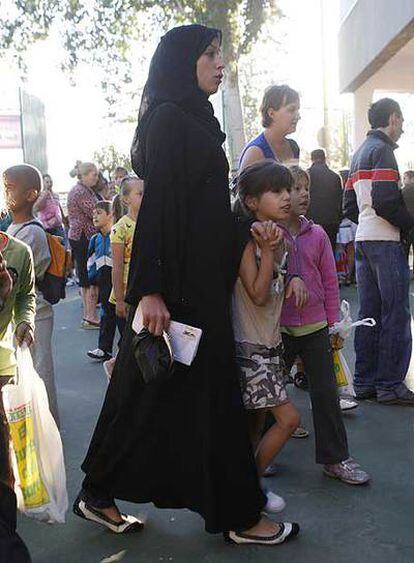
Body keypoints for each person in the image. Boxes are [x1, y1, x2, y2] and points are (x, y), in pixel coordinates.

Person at [74, 24, 300, 546]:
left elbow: (200, 213)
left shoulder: (191, 118)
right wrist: (148, 289)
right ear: (184, 62)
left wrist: (249, 228)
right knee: (189, 396)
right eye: (210, 55)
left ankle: (99, 491)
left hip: (194, 286)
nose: (219, 64)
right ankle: (241, 516)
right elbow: (160, 209)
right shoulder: (172, 120)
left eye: (219, 54)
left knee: (146, 395)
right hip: (177, 292)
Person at [279, 165, 370, 484]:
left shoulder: (317, 234)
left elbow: (330, 281)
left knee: (326, 394)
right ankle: (259, 453)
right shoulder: (269, 234)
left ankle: (335, 459)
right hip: (279, 329)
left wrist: (333, 325)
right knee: (268, 393)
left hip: (316, 326)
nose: (303, 194)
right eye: (295, 188)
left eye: (306, 189)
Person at [233, 160, 306, 511]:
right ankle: (248, 488)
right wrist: (265, 252)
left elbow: (274, 285)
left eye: (287, 189)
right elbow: (258, 293)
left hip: (268, 344)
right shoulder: (250, 240)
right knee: (289, 419)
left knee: (256, 425)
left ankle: (250, 489)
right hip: (252, 347)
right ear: (251, 201)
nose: (286, 197)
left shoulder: (276, 237)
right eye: (275, 192)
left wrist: (289, 272)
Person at [344, 97, 414, 405]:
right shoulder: (383, 151)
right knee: (395, 312)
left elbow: (348, 205)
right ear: (394, 119)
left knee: (369, 314)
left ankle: (365, 381)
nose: (402, 129)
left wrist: (369, 222)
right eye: (401, 122)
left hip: (363, 239)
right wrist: (408, 226)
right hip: (385, 241)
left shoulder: (359, 152)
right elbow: (387, 201)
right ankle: (390, 385)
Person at [5, 165, 60, 426]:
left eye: (10, 187)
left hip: (36, 313)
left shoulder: (31, 233)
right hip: (17, 314)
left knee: (40, 372)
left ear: (31, 194)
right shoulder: (13, 230)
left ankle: (47, 425)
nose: (5, 191)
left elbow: (21, 285)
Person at [103, 176, 143, 377]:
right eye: (140, 194)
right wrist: (119, 299)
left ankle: (118, 365)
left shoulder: (148, 223)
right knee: (130, 339)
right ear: (126, 199)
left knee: (138, 337)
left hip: (141, 292)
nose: (144, 197)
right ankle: (115, 365)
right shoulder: (121, 227)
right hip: (126, 294)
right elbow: (117, 267)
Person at [86, 201, 123, 362]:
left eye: (99, 212)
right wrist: (92, 282)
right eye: (94, 213)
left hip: (119, 282)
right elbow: (91, 262)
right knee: (106, 314)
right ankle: (104, 348)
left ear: (111, 215)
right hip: (103, 282)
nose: (95, 215)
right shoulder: (95, 239)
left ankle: (125, 349)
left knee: (122, 316)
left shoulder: (117, 234)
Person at [67, 162, 100, 328]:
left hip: (80, 236)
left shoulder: (82, 190)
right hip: (83, 237)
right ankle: (90, 316)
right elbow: (95, 211)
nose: (96, 177)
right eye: (93, 174)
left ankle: (89, 314)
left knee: (85, 276)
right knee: (89, 277)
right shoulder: (81, 192)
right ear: (85, 175)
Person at [306, 149, 343, 252]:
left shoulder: (307, 175)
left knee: (312, 254)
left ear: (312, 159)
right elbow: (340, 200)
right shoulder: (335, 177)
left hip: (311, 221)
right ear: (325, 158)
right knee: (329, 253)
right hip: (331, 222)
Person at [34, 174, 66, 239]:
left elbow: (58, 208)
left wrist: (64, 219)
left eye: (51, 182)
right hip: (47, 227)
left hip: (58, 226)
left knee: (62, 246)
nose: (49, 184)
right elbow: (37, 208)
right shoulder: (39, 196)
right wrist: (44, 195)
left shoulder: (55, 195)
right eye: (47, 182)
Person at [401, 170, 414, 271]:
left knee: (404, 250)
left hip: (405, 224)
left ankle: (404, 271)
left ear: (411, 178)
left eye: (405, 178)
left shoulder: (402, 191)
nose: (403, 180)